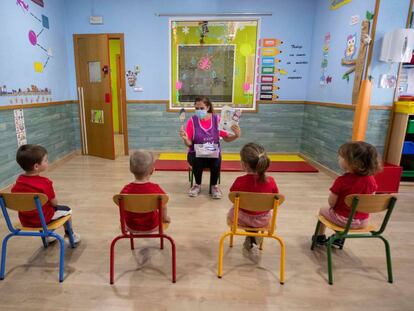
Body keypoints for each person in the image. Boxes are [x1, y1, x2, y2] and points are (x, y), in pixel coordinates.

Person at [313, 141, 381, 247]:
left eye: (341, 157)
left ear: (353, 162)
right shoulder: (371, 180)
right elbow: (370, 200)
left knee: (323, 210)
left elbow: (331, 203)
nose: (338, 159)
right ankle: (339, 239)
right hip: (363, 221)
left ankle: (319, 238)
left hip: (343, 220)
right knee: (342, 212)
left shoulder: (342, 181)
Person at [11, 144, 81, 243]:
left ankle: (47, 236)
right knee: (67, 210)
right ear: (36, 166)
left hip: (25, 220)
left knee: (42, 209)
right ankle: (70, 236)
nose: (48, 162)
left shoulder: (18, 182)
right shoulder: (45, 183)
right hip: (42, 219)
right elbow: (54, 204)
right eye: (45, 160)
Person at [179, 96, 241, 199]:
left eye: (201, 108)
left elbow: (226, 138)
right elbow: (189, 144)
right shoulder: (192, 121)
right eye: (197, 108)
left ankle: (214, 186)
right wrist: (185, 139)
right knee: (197, 159)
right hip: (195, 153)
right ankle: (197, 185)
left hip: (213, 154)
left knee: (216, 159)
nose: (199, 111)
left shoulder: (217, 120)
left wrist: (236, 135)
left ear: (207, 107)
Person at [227, 143, 279, 251]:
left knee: (235, 208)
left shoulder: (239, 181)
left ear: (244, 165)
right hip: (263, 220)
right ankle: (254, 234)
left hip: (239, 219)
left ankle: (251, 234)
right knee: (263, 212)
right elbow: (276, 201)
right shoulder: (271, 181)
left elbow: (232, 196)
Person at [120, 150, 170, 232]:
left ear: (130, 169)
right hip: (152, 226)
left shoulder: (125, 190)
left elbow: (122, 209)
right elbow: (163, 206)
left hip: (131, 226)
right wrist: (165, 218)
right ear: (152, 171)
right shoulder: (155, 189)